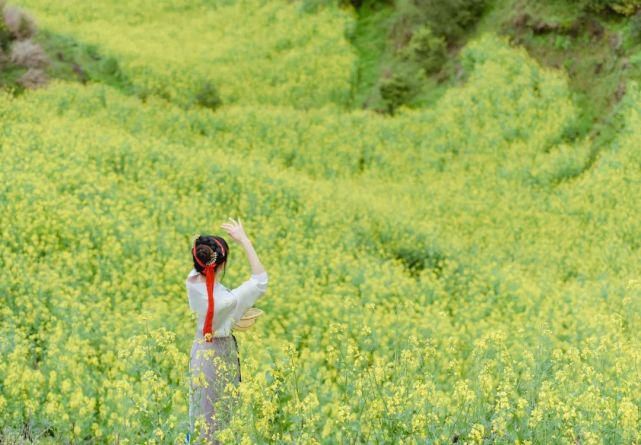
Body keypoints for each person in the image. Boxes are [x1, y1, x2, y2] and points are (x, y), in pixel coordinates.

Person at [186, 217, 268, 444]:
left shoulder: (192, 283)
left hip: (201, 351)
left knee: (201, 419)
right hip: (221, 353)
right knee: (222, 422)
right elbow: (260, 281)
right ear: (222, 265)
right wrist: (244, 240)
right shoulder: (227, 301)